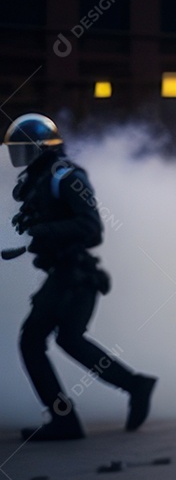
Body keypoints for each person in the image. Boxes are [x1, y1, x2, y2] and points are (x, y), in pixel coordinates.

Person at [6, 113, 156, 441]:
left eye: (23, 148)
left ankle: (65, 420)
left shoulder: (65, 176)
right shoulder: (41, 179)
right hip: (65, 275)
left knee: (32, 341)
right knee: (68, 339)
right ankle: (135, 386)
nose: (17, 156)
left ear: (41, 149)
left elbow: (91, 229)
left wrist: (43, 231)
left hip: (74, 276)